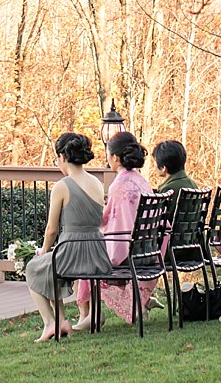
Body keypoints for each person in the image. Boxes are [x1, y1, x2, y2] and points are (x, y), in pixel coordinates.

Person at [22, 132, 112, 342]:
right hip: (97, 252)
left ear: (63, 157)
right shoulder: (97, 183)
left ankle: (50, 323)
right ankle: (62, 320)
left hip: (72, 251)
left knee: (34, 268)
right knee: (50, 269)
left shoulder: (62, 186)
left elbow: (52, 229)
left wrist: (43, 250)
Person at [75, 132, 156, 330]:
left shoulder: (119, 185)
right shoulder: (140, 180)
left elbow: (119, 226)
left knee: (86, 250)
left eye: (108, 155)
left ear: (116, 158)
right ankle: (136, 303)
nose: (107, 159)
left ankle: (89, 314)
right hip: (147, 249)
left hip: (129, 252)